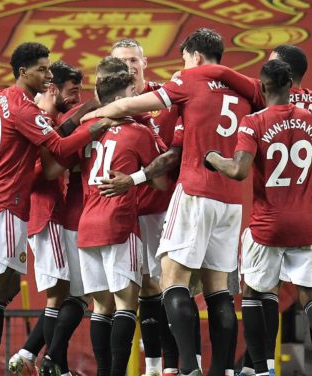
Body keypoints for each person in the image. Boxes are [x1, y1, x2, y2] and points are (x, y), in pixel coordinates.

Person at [81, 28, 264, 376]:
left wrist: (93, 115)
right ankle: (219, 370)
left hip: (194, 190)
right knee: (219, 290)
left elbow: (131, 105)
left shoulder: (186, 82)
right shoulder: (246, 91)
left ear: (194, 57)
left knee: (171, 281)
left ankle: (185, 367)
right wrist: (225, 72)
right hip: (231, 199)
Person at [0, 42, 123, 376]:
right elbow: (56, 146)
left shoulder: (2, 97)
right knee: (2, 293)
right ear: (23, 72)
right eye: (42, 69)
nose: (47, 74)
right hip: (7, 203)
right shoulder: (25, 110)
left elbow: (50, 131)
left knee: (5, 288)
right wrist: (93, 128)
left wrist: (84, 111)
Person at [203, 59, 312, 376]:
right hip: (307, 224)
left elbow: (239, 170)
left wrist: (214, 157)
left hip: (268, 226)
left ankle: (262, 369)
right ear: (291, 88)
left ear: (262, 88)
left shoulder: (253, 122)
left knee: (256, 293)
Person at [41, 70, 168, 376]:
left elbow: (55, 165)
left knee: (101, 308)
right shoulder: (138, 132)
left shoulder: (89, 130)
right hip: (120, 224)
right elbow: (162, 183)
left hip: (87, 227)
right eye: (132, 95)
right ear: (121, 99)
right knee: (126, 305)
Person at [9, 60, 84, 376]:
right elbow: (37, 173)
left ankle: (28, 353)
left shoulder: (50, 119)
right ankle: (55, 365)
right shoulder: (37, 120)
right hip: (46, 214)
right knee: (64, 295)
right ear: (53, 88)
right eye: (72, 91)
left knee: (66, 295)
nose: (76, 99)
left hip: (51, 212)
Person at [110, 38, 180, 376]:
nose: (129, 67)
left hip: (159, 209)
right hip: (121, 214)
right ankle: (153, 365)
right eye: (121, 62)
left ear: (145, 62)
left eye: (133, 60)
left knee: (164, 285)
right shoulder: (108, 104)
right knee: (135, 291)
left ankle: (169, 365)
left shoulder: (165, 99)